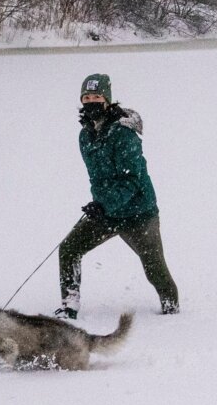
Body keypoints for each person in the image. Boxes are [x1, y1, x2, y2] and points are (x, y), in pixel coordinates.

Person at [56, 73, 179, 319]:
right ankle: (69, 306)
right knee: (69, 249)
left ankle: (172, 309)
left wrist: (104, 203)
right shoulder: (85, 135)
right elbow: (97, 177)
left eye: (97, 97)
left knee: (154, 267)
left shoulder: (123, 134)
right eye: (87, 97)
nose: (91, 102)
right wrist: (99, 204)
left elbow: (131, 179)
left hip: (139, 214)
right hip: (106, 213)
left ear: (108, 100)